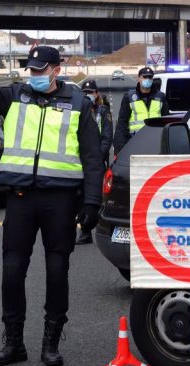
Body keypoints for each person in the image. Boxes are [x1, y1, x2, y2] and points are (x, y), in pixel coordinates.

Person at [0, 22, 103, 366]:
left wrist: (92, 201)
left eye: (40, 70)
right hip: (20, 199)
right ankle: (14, 342)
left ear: (57, 70)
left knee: (57, 271)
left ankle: (51, 343)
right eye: (30, 70)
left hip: (60, 201)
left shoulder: (78, 104)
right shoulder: (16, 96)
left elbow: (93, 158)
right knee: (12, 271)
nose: (34, 75)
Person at [76, 80, 113, 245]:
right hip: (78, 160)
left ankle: (102, 227)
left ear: (96, 93)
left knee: (99, 197)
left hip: (97, 161)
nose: (87, 95)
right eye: (84, 92)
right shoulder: (77, 111)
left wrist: (98, 156)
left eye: (90, 92)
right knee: (80, 195)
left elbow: (107, 136)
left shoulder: (103, 112)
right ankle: (85, 231)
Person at [112, 66, 169, 154]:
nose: (147, 79)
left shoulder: (160, 96)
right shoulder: (129, 97)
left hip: (156, 142)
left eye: (150, 77)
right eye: (145, 77)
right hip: (135, 142)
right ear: (139, 78)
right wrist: (119, 149)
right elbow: (122, 124)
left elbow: (166, 120)